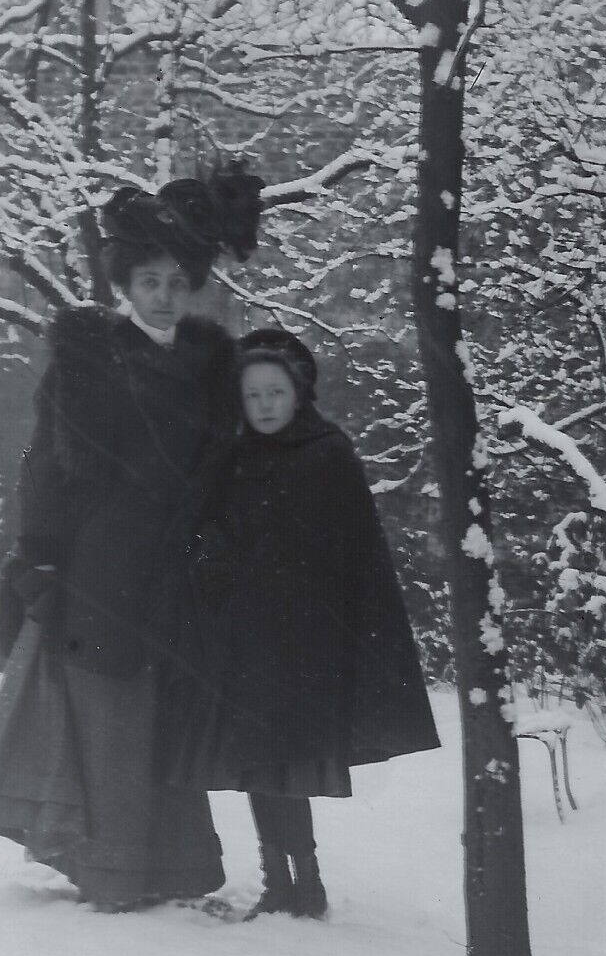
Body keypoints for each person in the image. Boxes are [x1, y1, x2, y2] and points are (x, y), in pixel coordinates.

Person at [0, 169, 264, 911]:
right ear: (124, 284)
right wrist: (42, 554)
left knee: (164, 714)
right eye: (148, 280)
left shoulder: (212, 365)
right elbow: (45, 464)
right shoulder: (89, 357)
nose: (162, 295)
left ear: (191, 288)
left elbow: (224, 471)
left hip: (179, 563)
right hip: (102, 559)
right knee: (110, 713)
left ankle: (176, 869)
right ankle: (111, 873)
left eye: (175, 282)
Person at [170, 328, 441, 919]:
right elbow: (203, 530)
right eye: (252, 396)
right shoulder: (232, 456)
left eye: (275, 392)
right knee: (257, 764)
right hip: (244, 640)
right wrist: (211, 560)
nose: (265, 405)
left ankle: (308, 880)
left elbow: (350, 553)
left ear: (297, 394)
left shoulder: (327, 453)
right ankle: (277, 880)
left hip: (304, 641)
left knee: (289, 761)